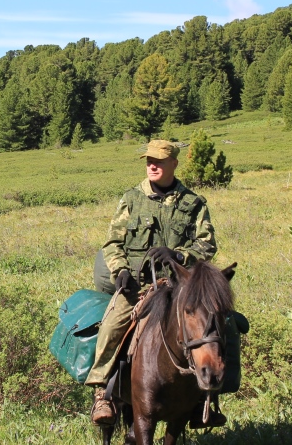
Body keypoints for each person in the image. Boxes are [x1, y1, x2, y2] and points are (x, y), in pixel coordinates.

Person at [86, 140, 225, 428]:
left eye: (159, 161)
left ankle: (210, 398)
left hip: (180, 285)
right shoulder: (132, 199)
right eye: (149, 160)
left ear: (174, 163)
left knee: (222, 325)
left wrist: (179, 255)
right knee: (112, 324)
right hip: (137, 284)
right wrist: (121, 271)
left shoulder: (193, 203)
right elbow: (113, 242)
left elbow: (207, 245)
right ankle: (102, 392)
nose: (152, 165)